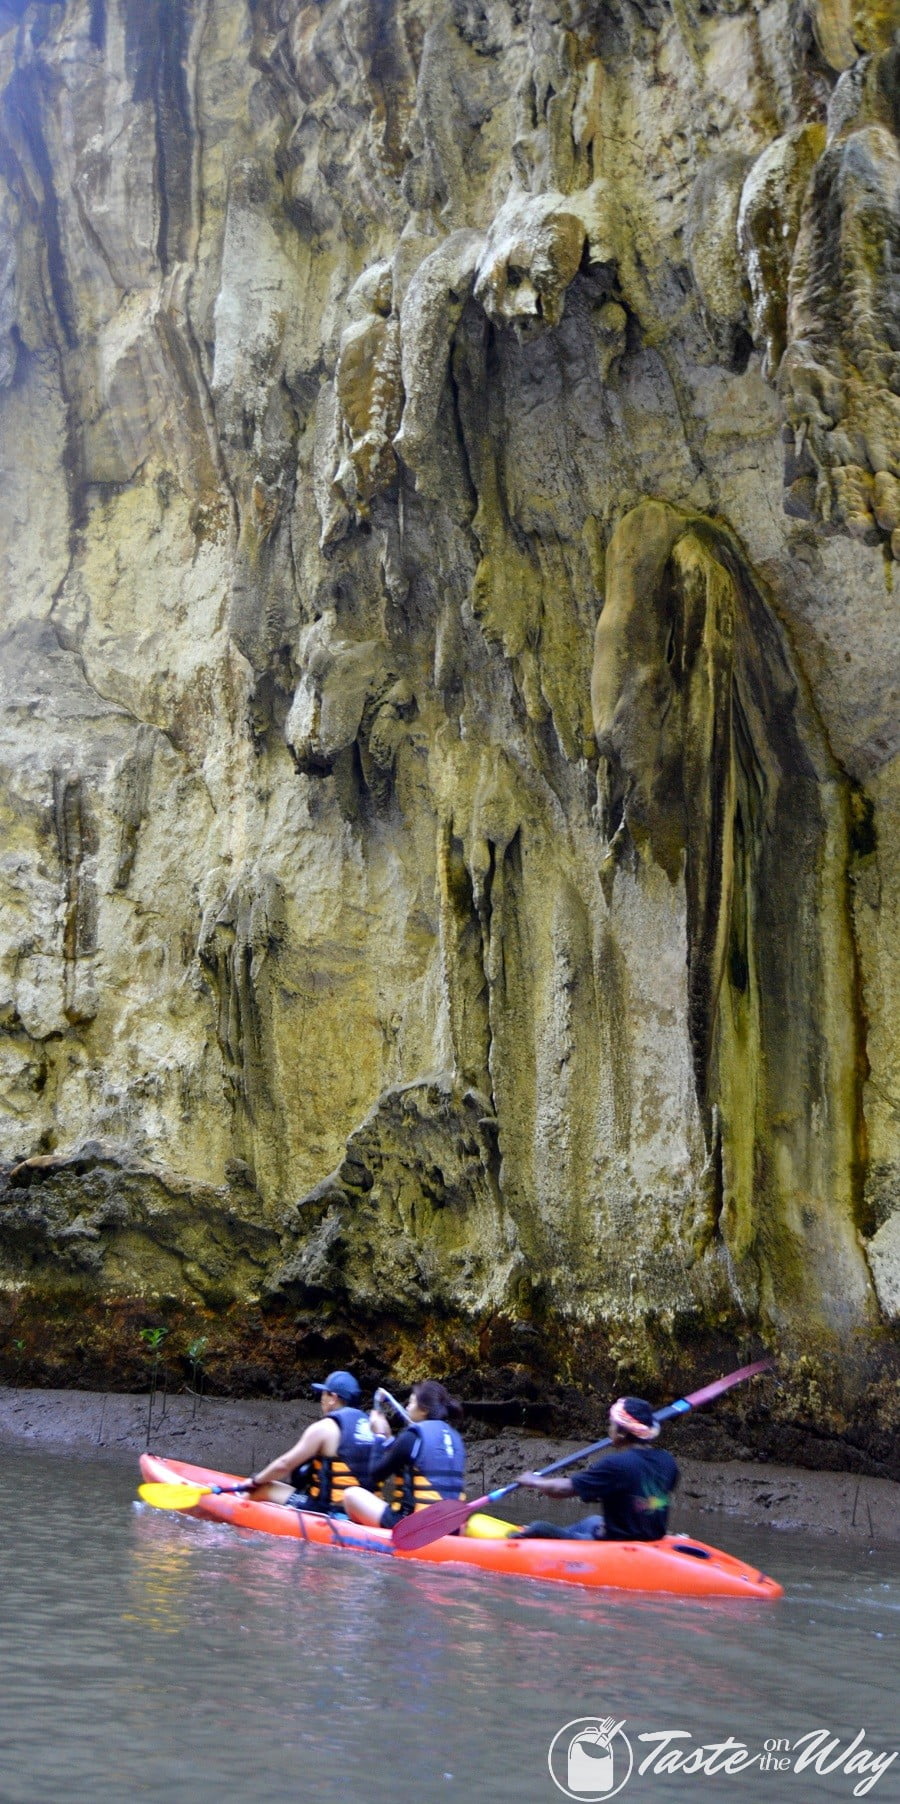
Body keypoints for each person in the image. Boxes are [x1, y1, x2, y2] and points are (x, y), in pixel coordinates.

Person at [510, 1396, 679, 1540]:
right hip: (649, 1538)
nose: (609, 1429)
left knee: (539, 1527)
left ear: (621, 1432)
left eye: (612, 1424)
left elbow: (562, 1490)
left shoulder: (616, 1465)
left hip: (617, 1546)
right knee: (593, 1520)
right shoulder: (667, 1461)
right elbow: (653, 1497)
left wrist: (534, 1481)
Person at [237, 1370, 378, 1514]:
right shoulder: (374, 1428)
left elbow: (284, 1466)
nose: (321, 1399)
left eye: (324, 1394)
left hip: (328, 1509)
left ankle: (236, 1513)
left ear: (333, 1398)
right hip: (364, 1512)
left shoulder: (326, 1427)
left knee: (264, 1488)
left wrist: (255, 1482)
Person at [341, 1380, 466, 1528]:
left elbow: (374, 1476)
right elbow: (411, 1461)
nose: (407, 1407)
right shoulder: (455, 1437)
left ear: (424, 1409)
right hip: (454, 1526)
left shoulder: (413, 1436)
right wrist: (388, 1441)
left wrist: (379, 1436)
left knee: (351, 1494)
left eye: (411, 1403)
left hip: (415, 1527)